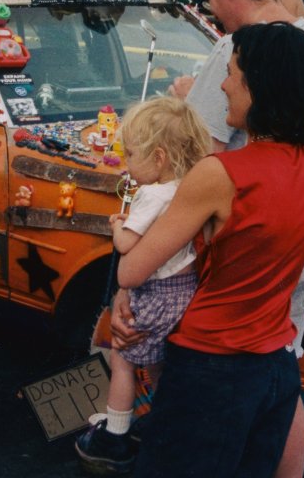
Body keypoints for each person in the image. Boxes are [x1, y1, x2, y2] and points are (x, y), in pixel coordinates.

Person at [156, 0, 304, 478]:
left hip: (249, 238)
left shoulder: (237, 49)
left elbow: (200, 152)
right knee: (281, 375)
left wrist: (182, 99)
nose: (212, 11)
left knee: (230, 387)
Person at [117, 22, 304, 477]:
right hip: (274, 365)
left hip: (210, 368)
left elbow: (134, 269)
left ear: (261, 88)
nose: (222, 84)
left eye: (234, 73)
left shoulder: (220, 173)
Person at [75, 97, 212, 473]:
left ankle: (114, 437)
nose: (127, 163)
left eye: (131, 154)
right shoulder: (188, 187)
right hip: (183, 293)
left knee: (123, 360)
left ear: (160, 158)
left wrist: (119, 225)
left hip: (153, 293)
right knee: (159, 366)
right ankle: (161, 423)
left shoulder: (152, 193)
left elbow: (126, 247)